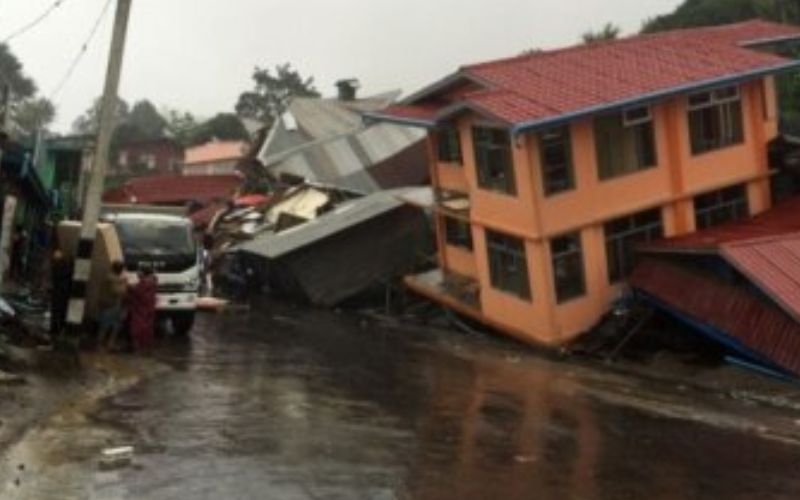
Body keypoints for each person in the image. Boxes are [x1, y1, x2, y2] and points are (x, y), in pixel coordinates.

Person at [97, 261, 128, 351]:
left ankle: (106, 344)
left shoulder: (111, 277)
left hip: (110, 304)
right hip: (110, 305)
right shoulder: (112, 278)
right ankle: (105, 344)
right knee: (109, 325)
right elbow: (117, 291)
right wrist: (124, 285)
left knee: (111, 325)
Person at [128, 267, 158, 354]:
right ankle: (146, 346)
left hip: (141, 308)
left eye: (139, 272)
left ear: (143, 274)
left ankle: (139, 346)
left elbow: (137, 292)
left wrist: (129, 287)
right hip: (149, 307)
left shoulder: (143, 284)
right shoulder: (153, 281)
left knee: (138, 327)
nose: (137, 274)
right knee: (148, 326)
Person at [49, 249, 73, 336]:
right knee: (61, 312)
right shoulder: (63, 269)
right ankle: (59, 329)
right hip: (62, 293)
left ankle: (55, 329)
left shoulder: (56, 267)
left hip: (58, 292)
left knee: (56, 312)